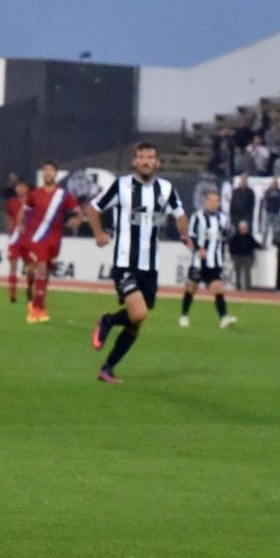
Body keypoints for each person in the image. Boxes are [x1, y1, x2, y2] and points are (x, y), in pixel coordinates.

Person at [85, 143, 190, 384]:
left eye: (150, 157)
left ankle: (107, 368)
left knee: (137, 321)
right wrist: (100, 235)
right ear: (134, 162)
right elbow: (92, 209)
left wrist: (185, 234)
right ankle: (108, 321)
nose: (145, 161)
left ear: (157, 163)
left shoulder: (165, 189)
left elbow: (181, 214)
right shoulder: (121, 186)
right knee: (138, 311)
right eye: (141, 157)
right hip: (125, 263)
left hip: (150, 267)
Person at [20, 161, 80, 323]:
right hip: (37, 237)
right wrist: (21, 225)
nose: (48, 173)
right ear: (42, 174)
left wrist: (76, 219)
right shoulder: (35, 194)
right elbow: (25, 210)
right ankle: (37, 308)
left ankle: (38, 302)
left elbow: (77, 211)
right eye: (45, 170)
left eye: (51, 171)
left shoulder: (63, 194)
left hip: (54, 238)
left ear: (56, 174)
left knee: (43, 271)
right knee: (40, 267)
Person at [179, 190, 236, 329]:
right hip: (199, 261)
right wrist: (199, 249)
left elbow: (228, 234)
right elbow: (190, 236)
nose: (214, 203)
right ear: (206, 201)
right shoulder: (197, 217)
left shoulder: (223, 218)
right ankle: (184, 315)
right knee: (192, 287)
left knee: (218, 288)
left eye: (217, 201)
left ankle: (223, 318)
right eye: (211, 200)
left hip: (215, 260)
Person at [4, 179, 32, 304]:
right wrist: (10, 233)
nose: (20, 189)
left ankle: (30, 290)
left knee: (31, 268)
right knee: (13, 266)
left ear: (27, 188)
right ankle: (12, 295)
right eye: (18, 187)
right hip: (15, 238)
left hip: (28, 239)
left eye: (22, 186)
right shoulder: (11, 203)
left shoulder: (33, 202)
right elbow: (9, 218)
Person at [227, 220, 262, 289]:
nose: (244, 229)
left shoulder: (249, 237)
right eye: (243, 228)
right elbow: (231, 246)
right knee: (237, 273)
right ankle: (237, 287)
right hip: (237, 257)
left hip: (248, 257)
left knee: (247, 273)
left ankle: (248, 288)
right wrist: (232, 255)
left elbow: (256, 245)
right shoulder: (235, 237)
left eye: (246, 228)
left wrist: (262, 246)